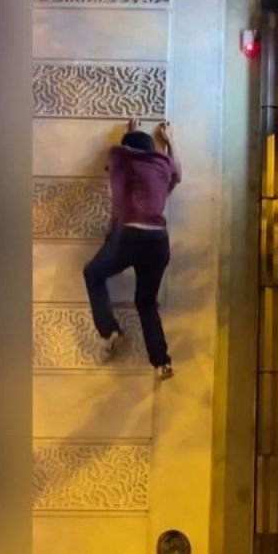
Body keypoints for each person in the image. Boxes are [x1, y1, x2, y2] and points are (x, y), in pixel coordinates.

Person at [83, 118, 180, 379]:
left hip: (129, 237)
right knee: (146, 302)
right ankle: (162, 363)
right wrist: (169, 139)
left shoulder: (118, 157)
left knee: (93, 274)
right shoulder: (163, 164)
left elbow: (125, 151)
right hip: (158, 241)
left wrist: (131, 131)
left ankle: (110, 331)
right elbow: (177, 172)